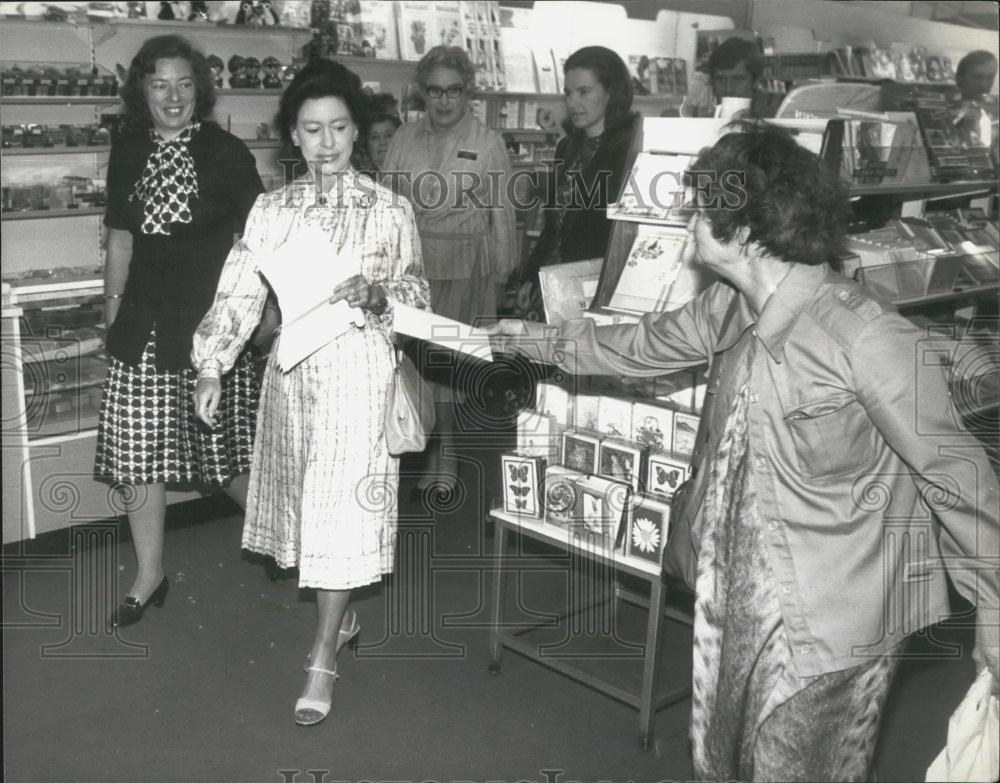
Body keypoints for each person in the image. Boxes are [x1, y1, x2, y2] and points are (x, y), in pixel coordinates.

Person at [493, 122, 999, 781]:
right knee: (730, 762)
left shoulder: (863, 334)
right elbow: (642, 345)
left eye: (701, 207)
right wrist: (535, 341)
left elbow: (958, 478)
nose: (689, 222)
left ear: (745, 227)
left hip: (836, 620)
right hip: (747, 600)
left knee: (800, 768)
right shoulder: (737, 304)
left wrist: (993, 609)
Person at [191, 59, 429, 727]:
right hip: (293, 379)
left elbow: (417, 296)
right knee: (306, 515)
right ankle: (342, 612)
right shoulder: (272, 209)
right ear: (293, 136)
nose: (327, 143)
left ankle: (322, 653)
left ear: (359, 133)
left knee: (343, 514)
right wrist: (211, 362)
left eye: (340, 129)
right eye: (312, 130)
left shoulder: (390, 210)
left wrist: (379, 293)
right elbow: (240, 290)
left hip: (361, 374)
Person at [95, 34, 264, 629]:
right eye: (159, 83)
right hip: (140, 325)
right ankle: (149, 573)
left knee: (223, 458)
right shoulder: (128, 150)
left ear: (201, 89)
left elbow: (260, 243)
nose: (173, 96)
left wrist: (253, 321)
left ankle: (289, 541)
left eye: (184, 83)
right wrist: (113, 313)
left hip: (208, 333)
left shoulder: (225, 153)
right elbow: (120, 237)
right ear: (142, 89)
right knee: (139, 458)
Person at [381, 45, 517, 495]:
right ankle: (423, 445)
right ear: (423, 92)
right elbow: (386, 204)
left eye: (453, 91)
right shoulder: (405, 137)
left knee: (451, 368)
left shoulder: (486, 141)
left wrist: (502, 271)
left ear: (467, 92)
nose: (443, 101)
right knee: (415, 364)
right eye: (435, 91)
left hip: (465, 268)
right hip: (414, 269)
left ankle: (448, 454)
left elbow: (502, 212)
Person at [516, 46, 640, 315]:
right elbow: (554, 224)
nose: (572, 103)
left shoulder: (630, 150)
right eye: (568, 93)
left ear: (611, 92)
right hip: (555, 284)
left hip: (597, 290)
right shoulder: (567, 147)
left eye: (583, 92)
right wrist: (530, 274)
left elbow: (622, 235)